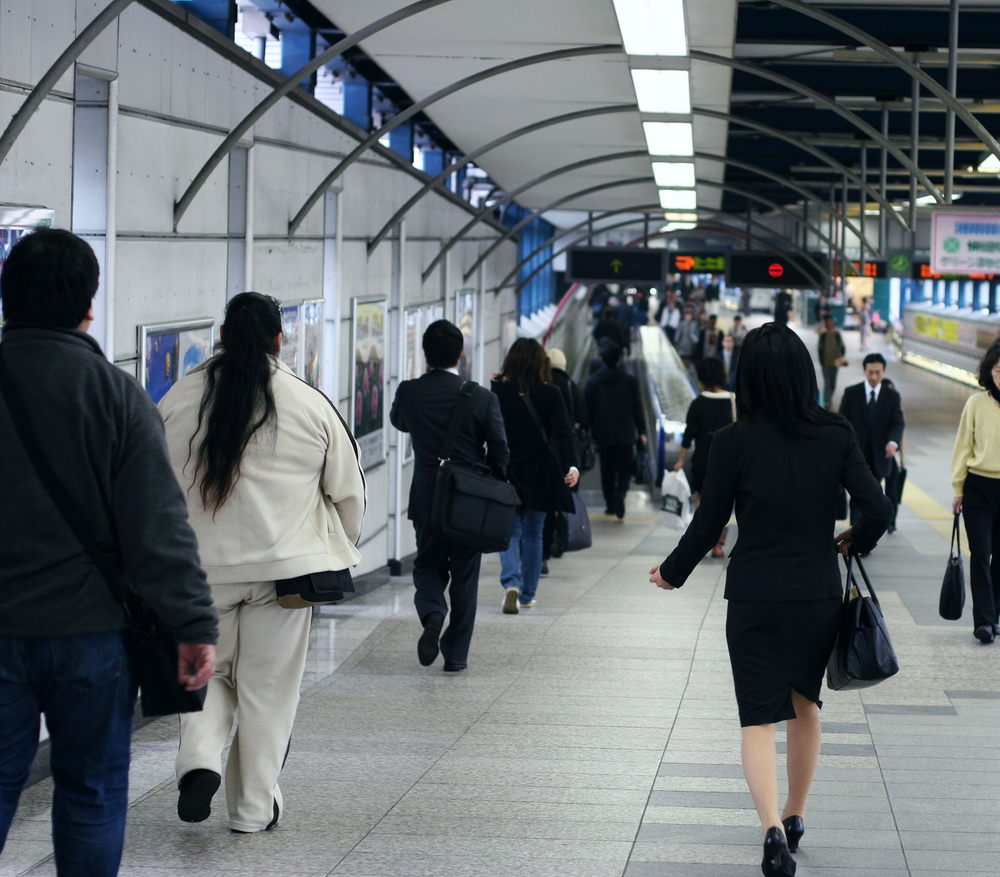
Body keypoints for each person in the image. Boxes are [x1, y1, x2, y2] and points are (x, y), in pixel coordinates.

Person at [0, 229, 218, 875]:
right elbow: (158, 527)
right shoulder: (117, 396)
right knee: (91, 792)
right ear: (88, 306)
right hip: (92, 634)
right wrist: (192, 624)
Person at [650, 323, 892, 877]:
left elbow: (710, 522)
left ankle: (771, 832)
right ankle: (797, 814)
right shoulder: (836, 433)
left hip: (755, 593)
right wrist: (858, 538)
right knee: (805, 706)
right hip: (815, 592)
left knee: (757, 717)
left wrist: (672, 572)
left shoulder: (733, 441)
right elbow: (878, 510)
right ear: (804, 371)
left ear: (749, 379)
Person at [159, 292, 367, 833]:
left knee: (209, 673)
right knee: (268, 692)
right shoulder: (307, 402)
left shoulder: (179, 398)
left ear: (222, 337)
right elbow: (348, 490)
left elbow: (150, 485)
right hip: (285, 575)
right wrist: (339, 542)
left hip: (200, 572)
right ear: (281, 339)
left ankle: (199, 762)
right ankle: (252, 810)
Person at [390, 320, 509, 667]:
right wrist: (496, 483)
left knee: (427, 564)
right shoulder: (482, 398)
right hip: (468, 504)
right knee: (465, 575)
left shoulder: (410, 391)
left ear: (425, 354)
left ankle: (432, 612)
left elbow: (399, 421)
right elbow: (500, 450)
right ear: (461, 354)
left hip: (427, 499)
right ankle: (455, 655)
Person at [491, 338, 579, 612]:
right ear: (541, 363)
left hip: (508, 469)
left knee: (510, 530)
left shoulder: (498, 392)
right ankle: (527, 594)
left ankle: (511, 583)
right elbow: (564, 432)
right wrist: (571, 466)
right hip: (541, 470)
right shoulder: (551, 393)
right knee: (533, 533)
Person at [951, 340, 1000, 645]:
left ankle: (993, 615)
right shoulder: (976, 404)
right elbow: (963, 448)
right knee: (980, 554)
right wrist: (958, 489)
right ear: (989, 371)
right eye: (998, 369)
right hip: (978, 489)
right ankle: (983, 621)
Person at [674, 357, 735, 557]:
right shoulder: (733, 400)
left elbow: (688, 434)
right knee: (726, 502)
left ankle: (702, 542)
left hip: (703, 461)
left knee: (702, 502)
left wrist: (681, 460)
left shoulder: (698, 403)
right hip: (729, 461)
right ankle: (718, 544)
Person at [838, 353, 905, 525]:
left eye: (877, 372)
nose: (874, 377)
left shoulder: (892, 397)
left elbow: (898, 424)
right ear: (864, 371)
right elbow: (842, 422)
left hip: (880, 456)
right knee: (857, 497)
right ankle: (856, 537)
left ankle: (866, 533)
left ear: (884, 371)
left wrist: (893, 442)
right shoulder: (852, 393)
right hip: (856, 456)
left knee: (873, 497)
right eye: (870, 372)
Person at [585, 343, 647, 519]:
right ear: (620, 360)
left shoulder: (593, 382)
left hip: (602, 434)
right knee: (625, 469)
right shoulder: (630, 382)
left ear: (602, 360)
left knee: (607, 470)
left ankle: (610, 504)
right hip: (626, 433)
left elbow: (587, 411)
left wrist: (586, 430)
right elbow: (638, 409)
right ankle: (621, 492)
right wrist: (641, 431)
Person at [543, 348, 588, 572]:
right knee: (562, 498)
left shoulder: (542, 386)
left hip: (546, 451)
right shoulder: (570, 386)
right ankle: (560, 541)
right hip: (565, 450)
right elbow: (582, 416)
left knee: (545, 503)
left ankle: (544, 548)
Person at [817, 315, 846, 410]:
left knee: (833, 384)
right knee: (827, 383)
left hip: (835, 364)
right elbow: (820, 349)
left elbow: (842, 347)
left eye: (831, 321)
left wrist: (841, 356)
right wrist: (822, 361)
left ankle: (829, 399)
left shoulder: (837, 335)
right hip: (825, 363)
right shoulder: (823, 336)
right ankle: (827, 402)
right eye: (828, 321)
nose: (829, 323)